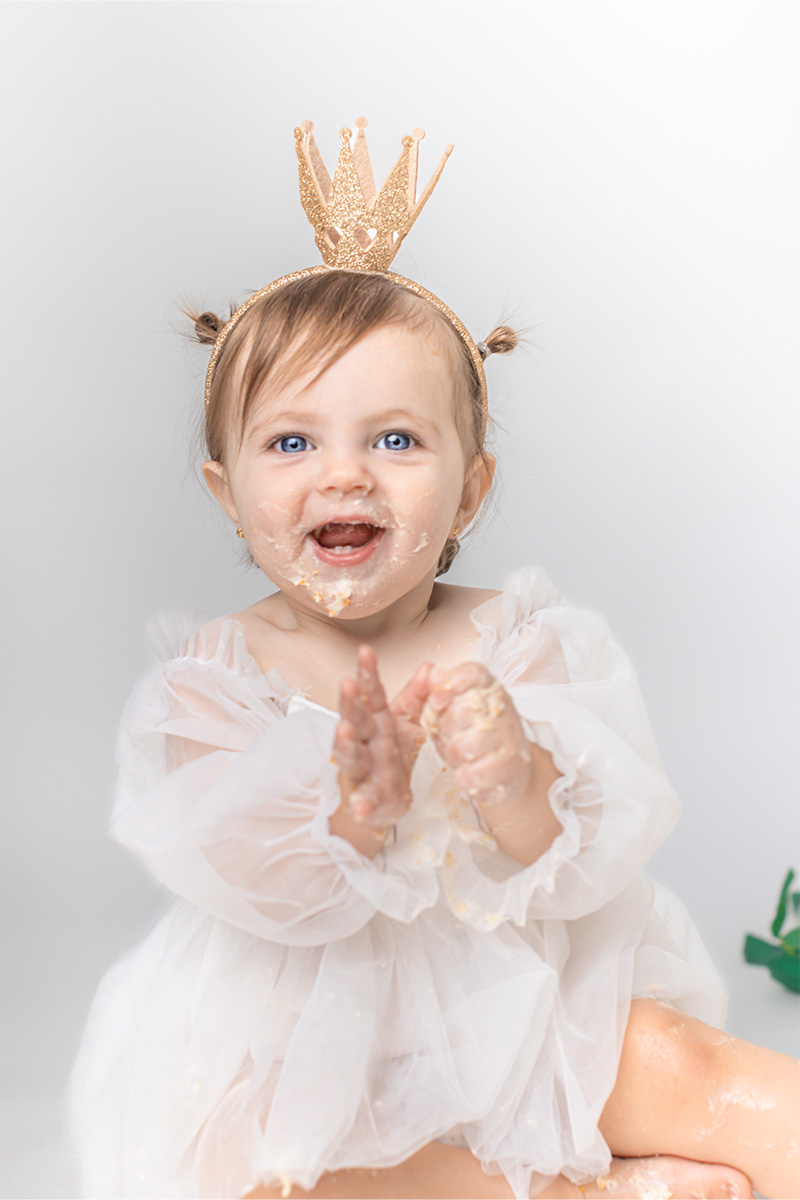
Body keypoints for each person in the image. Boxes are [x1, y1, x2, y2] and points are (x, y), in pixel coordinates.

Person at [70, 122, 798, 1200]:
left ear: (468, 489)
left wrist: (511, 776)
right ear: (228, 494)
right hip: (299, 1034)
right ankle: (571, 1190)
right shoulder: (217, 673)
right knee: (244, 1169)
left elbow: (576, 842)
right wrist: (350, 815)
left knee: (693, 1071)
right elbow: (239, 870)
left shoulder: (516, 640)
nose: (344, 474)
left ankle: (636, 1149)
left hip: (519, 996)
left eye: (396, 440)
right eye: (291, 442)